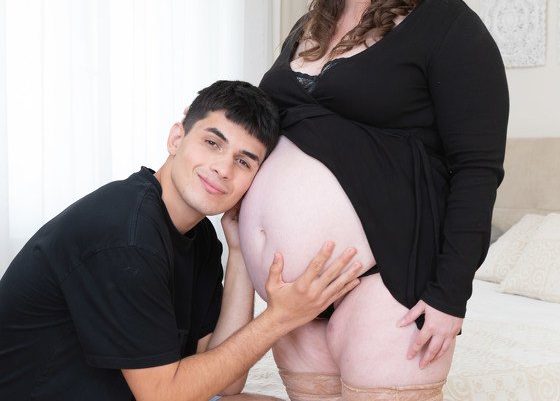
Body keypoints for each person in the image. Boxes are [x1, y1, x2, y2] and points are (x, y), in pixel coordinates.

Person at [238, 0, 509, 401]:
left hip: (391, 279)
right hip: (297, 299)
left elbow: (477, 171)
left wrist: (450, 295)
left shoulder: (447, 26)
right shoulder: (308, 27)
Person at [0, 80, 364, 401]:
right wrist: (281, 317)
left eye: (243, 162)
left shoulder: (199, 237)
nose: (223, 168)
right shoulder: (126, 233)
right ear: (177, 138)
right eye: (212, 143)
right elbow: (164, 396)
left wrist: (238, 250)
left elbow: (226, 382)